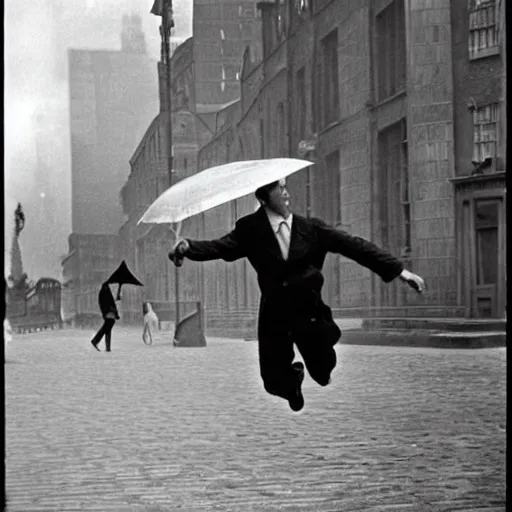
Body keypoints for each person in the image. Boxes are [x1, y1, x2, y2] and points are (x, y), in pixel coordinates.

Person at [168, 178, 426, 412]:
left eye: (285, 186)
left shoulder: (311, 229)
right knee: (272, 381)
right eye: (278, 188)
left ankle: (323, 352)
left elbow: (355, 247)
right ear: (263, 197)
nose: (286, 192)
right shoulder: (250, 229)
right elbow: (219, 247)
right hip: (274, 312)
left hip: (309, 310)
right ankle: (293, 383)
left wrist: (401, 272)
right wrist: (188, 247)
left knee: (323, 371)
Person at [91, 282, 120, 352]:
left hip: (110, 313)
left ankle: (107, 346)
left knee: (107, 329)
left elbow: (111, 303)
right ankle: (96, 341)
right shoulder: (104, 293)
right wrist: (109, 310)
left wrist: (115, 313)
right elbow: (105, 304)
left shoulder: (106, 292)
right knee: (106, 328)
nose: (107, 287)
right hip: (108, 313)